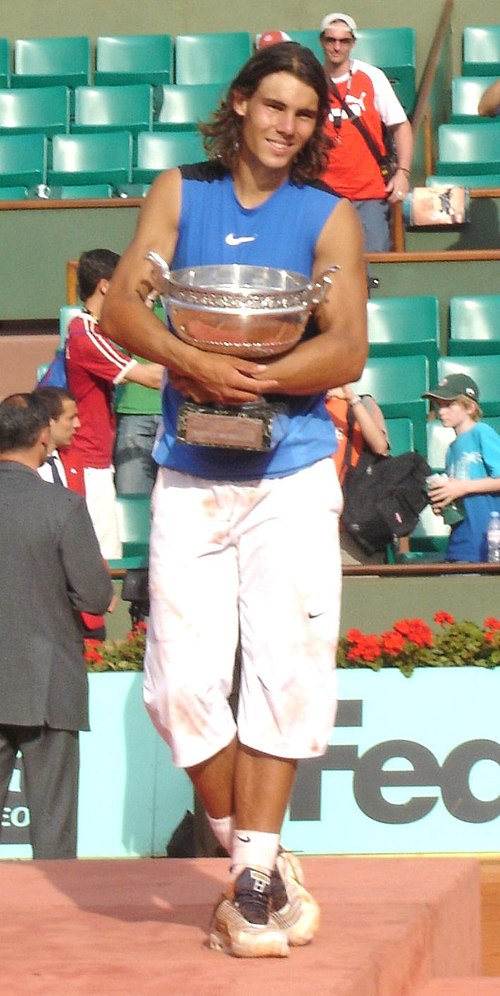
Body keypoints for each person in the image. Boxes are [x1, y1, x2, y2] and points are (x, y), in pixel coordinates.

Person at [101, 41, 367, 958]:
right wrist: (197, 362)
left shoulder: (329, 216)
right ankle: (260, 855)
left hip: (291, 471)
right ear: (242, 104)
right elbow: (123, 312)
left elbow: (346, 352)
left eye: (304, 114)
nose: (287, 127)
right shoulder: (181, 192)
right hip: (191, 469)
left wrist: (254, 381)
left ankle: (250, 878)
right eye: (274, 107)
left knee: (285, 672)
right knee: (177, 688)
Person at [0, 392, 113, 858]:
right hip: (49, 685)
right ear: (44, 436)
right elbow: (95, 595)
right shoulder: (62, 506)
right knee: (54, 836)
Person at [64, 248, 163, 558]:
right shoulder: (85, 334)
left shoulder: (94, 330)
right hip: (89, 461)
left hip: (95, 457)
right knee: (101, 559)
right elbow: (149, 377)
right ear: (106, 285)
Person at [319, 12, 413, 252]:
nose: (337, 47)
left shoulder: (372, 77)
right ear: (322, 41)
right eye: (331, 40)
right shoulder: (311, 80)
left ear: (353, 43)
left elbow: (400, 126)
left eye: (344, 41)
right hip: (323, 195)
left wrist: (402, 172)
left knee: (375, 270)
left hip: (369, 193)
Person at [35, 385, 112, 640]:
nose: (78, 424)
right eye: (71, 418)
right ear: (49, 422)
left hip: (79, 595)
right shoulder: (18, 469)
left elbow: (82, 527)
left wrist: (100, 579)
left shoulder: (74, 461)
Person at [423, 373, 500, 562]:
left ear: (470, 407)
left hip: (488, 543)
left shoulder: (482, 432)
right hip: (461, 543)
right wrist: (445, 502)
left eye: (449, 405)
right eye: (438, 405)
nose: (441, 411)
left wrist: (461, 487)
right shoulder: (451, 449)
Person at [326, 383, 389, 563]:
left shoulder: (363, 403)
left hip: (351, 526)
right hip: (311, 522)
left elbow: (380, 446)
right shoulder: (302, 406)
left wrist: (351, 398)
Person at [113, 294, 163, 496]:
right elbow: (114, 361)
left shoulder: (187, 296)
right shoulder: (130, 295)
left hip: (180, 411)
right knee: (131, 499)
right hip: (135, 412)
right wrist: (147, 299)